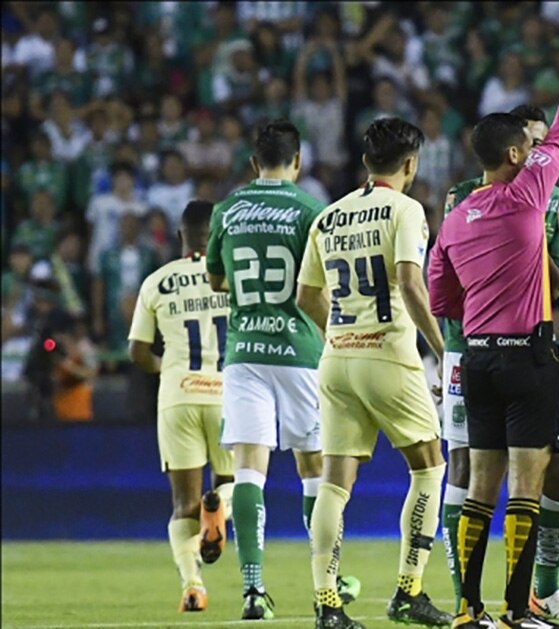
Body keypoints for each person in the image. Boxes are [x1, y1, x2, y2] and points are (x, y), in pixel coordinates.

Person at [428, 11, 559, 629]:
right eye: (527, 149)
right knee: (525, 490)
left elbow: (440, 297)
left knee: (480, 488)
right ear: (512, 154)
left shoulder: (454, 218)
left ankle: (466, 608)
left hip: (476, 358)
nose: (537, 154)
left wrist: (482, 308)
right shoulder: (528, 194)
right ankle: (515, 610)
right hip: (528, 357)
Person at [296, 118, 452, 629]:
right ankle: (409, 591)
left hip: (337, 358)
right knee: (428, 466)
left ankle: (327, 603)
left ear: (366, 162)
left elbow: (306, 296)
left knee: (333, 483)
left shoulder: (329, 216)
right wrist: (442, 350)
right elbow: (409, 282)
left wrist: (340, 335)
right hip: (387, 353)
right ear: (411, 164)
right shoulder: (406, 210)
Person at [205, 120, 358, 620]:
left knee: (249, 468)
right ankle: (328, 584)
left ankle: (253, 590)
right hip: (300, 352)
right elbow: (322, 284)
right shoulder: (312, 211)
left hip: (245, 351)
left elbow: (216, 279)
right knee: (314, 469)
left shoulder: (227, 210)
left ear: (254, 163)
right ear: (298, 162)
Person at [127, 200, 235, 613]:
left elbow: (137, 351)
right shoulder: (233, 277)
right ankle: (218, 510)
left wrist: (165, 368)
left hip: (178, 395)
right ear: (217, 236)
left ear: (180, 237)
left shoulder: (157, 281)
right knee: (237, 481)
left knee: (182, 504)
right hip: (227, 393)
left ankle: (193, 586)